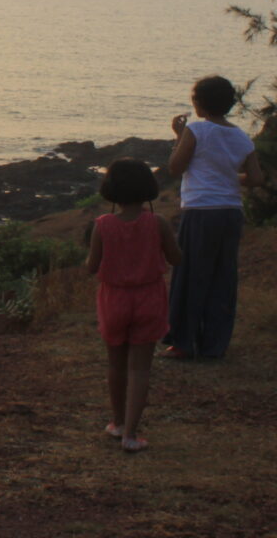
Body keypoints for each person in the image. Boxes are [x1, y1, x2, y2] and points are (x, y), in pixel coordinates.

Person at [163, 75, 264, 360]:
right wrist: (229, 176)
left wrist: (178, 137)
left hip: (201, 211)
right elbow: (255, 178)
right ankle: (214, 345)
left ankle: (183, 342)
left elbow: (175, 167)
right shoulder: (242, 137)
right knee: (223, 278)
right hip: (231, 212)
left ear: (199, 103)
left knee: (191, 275)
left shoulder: (197, 131)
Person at [86, 158, 181, 453]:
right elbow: (176, 258)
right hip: (149, 297)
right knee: (140, 369)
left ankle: (115, 422)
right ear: (147, 188)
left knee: (116, 364)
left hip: (114, 298)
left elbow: (92, 267)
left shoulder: (102, 225)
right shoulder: (158, 222)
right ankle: (131, 434)